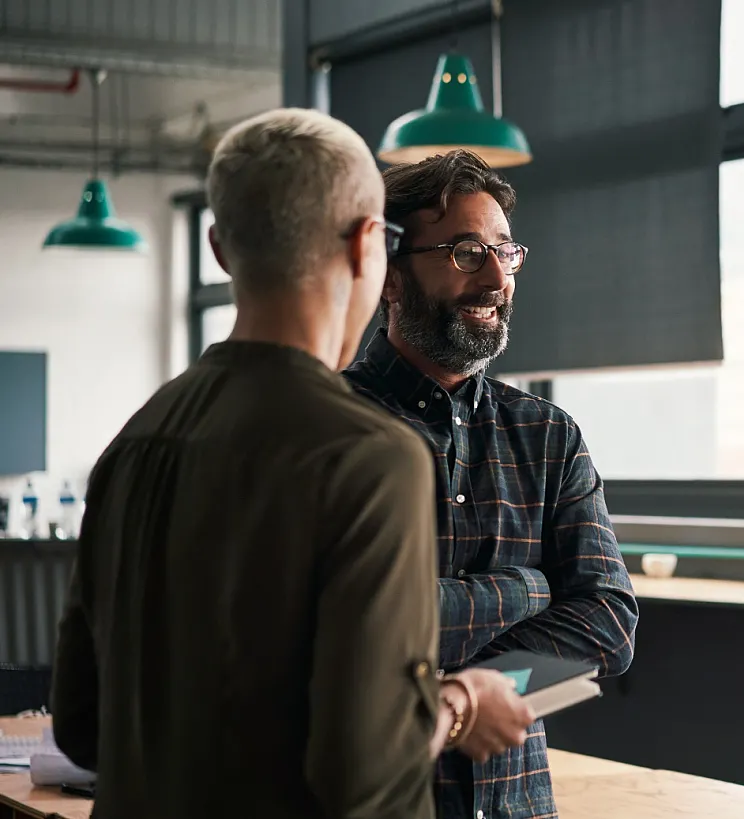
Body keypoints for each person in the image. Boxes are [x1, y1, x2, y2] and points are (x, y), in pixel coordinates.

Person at [50, 109, 537, 819]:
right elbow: (366, 776)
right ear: (370, 246)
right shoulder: (372, 457)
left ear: (219, 248)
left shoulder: (134, 443)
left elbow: (82, 726)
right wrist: (461, 702)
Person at [344, 149, 639, 819]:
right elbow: (342, 630)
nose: (494, 278)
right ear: (391, 275)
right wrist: (528, 590)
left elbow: (609, 622)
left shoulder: (547, 434)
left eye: (506, 254)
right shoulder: (330, 428)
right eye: (465, 252)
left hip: (516, 804)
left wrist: (475, 688)